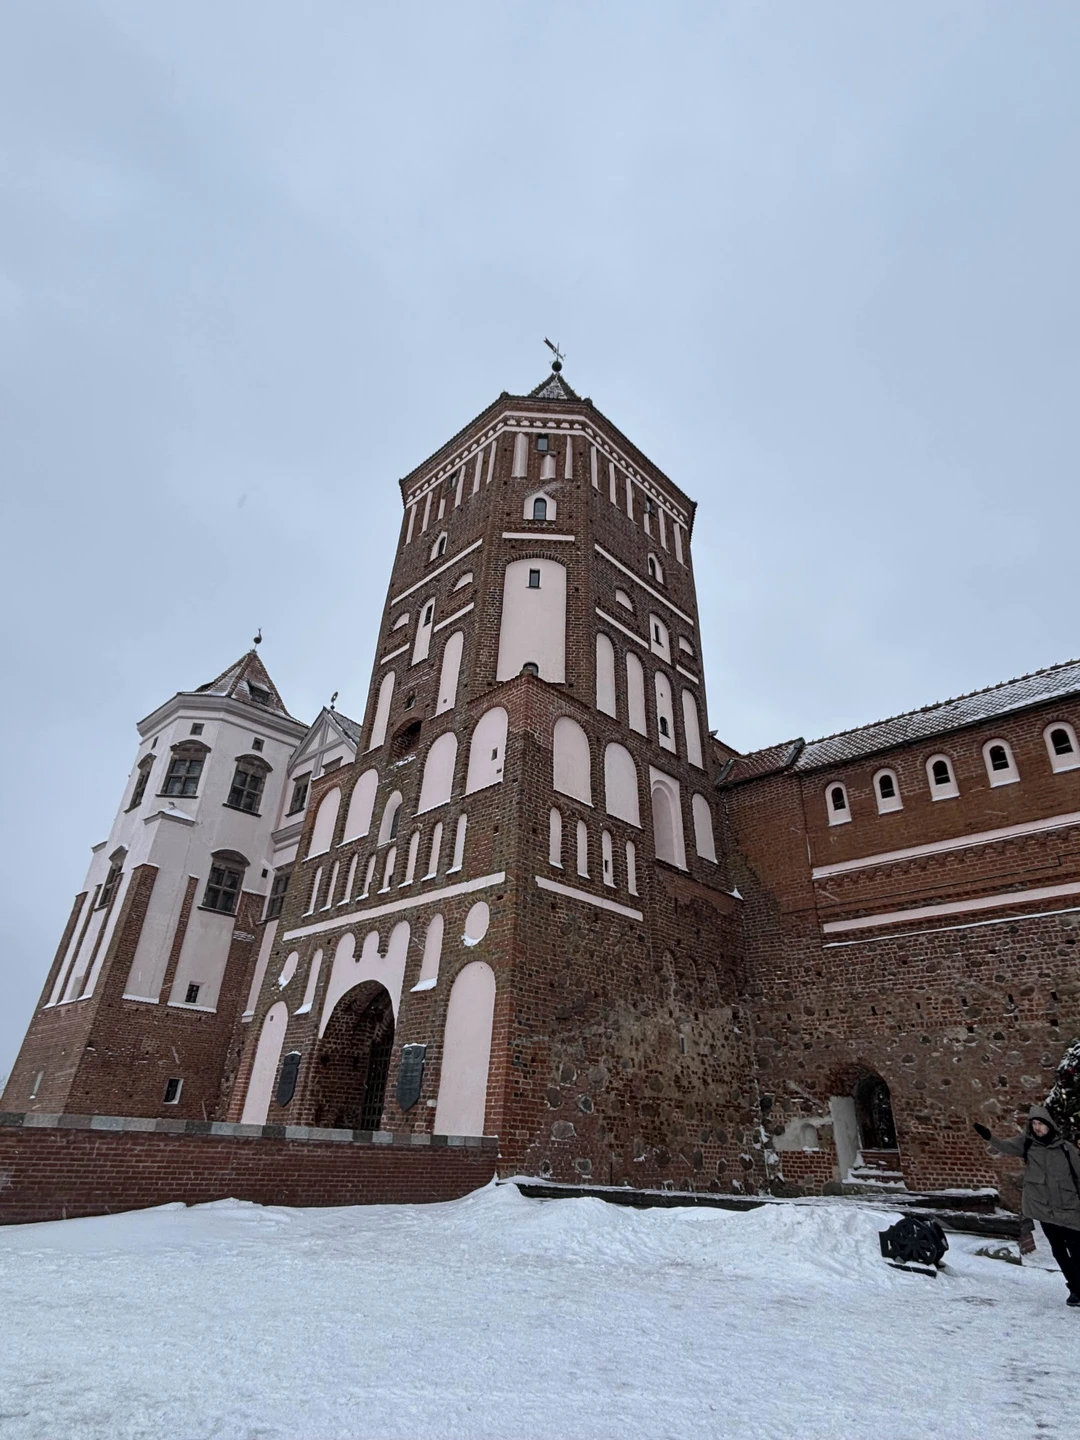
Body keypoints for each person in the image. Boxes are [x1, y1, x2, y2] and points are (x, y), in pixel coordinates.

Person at [975, 1105, 1080, 1306]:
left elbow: (1078, 1175)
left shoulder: (1066, 1149)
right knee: (1058, 1251)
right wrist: (989, 1137)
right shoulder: (1027, 1144)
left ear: (1050, 1125)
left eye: (1041, 1124)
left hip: (1068, 1207)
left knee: (1077, 1251)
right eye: (1034, 1124)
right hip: (1044, 1209)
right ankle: (1075, 1289)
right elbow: (1004, 1146)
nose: (1038, 1128)